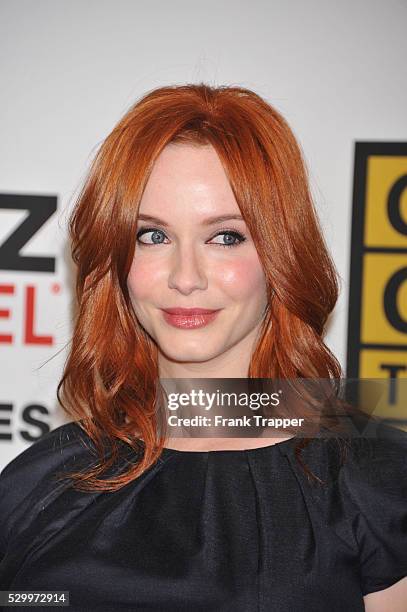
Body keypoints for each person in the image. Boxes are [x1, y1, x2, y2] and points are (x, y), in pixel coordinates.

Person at [0, 83, 406, 611]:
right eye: (152, 236)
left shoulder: (378, 482)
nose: (185, 278)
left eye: (225, 237)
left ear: (282, 253)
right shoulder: (39, 482)